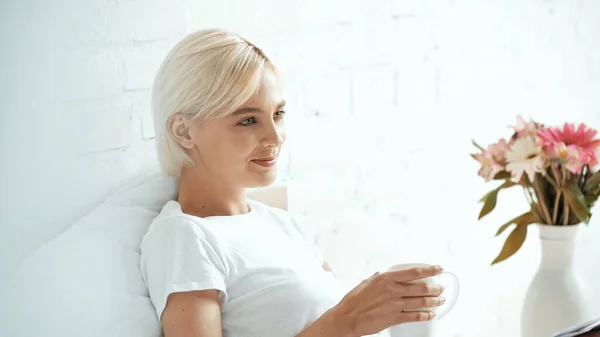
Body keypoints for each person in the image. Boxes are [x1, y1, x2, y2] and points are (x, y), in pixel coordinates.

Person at [140, 28, 447, 337]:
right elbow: (342, 322)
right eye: (248, 120)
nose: (275, 137)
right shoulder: (184, 236)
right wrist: (348, 319)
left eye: (278, 114)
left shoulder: (280, 224)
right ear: (183, 131)